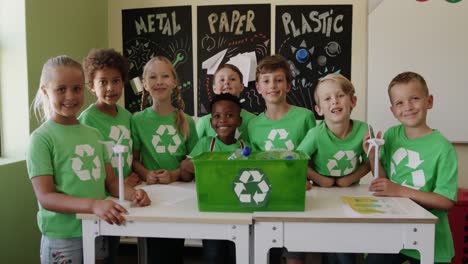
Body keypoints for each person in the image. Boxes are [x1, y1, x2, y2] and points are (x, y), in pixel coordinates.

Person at [27, 55, 150, 264]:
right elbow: (46, 197)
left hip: (97, 227)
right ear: (45, 90)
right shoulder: (41, 139)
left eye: (76, 88)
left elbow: (111, 182)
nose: (70, 96)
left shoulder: (94, 134)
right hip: (63, 237)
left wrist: (133, 194)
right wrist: (94, 204)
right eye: (61, 89)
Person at [364, 71, 458, 264]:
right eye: (399, 103)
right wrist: (373, 156)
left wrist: (398, 190)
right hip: (395, 231)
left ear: (429, 101)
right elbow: (383, 181)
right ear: (393, 110)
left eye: (414, 98)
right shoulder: (391, 135)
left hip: (431, 240)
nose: (407, 107)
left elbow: (446, 200)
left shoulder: (443, 148)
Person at [247, 54, 316, 264]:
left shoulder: (305, 117)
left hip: (298, 193)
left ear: (288, 85)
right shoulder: (253, 125)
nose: (272, 86)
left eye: (279, 80)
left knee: (294, 257)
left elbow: (313, 156)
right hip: (268, 196)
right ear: (258, 87)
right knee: (266, 252)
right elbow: (256, 163)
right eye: (266, 81)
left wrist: (306, 179)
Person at [296, 73, 370, 264]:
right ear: (319, 109)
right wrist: (321, 179)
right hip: (322, 197)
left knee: (351, 242)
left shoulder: (364, 130)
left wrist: (350, 178)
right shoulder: (315, 134)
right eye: (327, 98)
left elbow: (371, 162)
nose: (334, 102)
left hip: (351, 196)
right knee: (334, 247)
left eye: (340, 96)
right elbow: (296, 161)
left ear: (353, 101)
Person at [131, 56, 198, 264]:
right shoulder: (137, 120)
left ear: (174, 82)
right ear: (144, 84)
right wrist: (146, 174)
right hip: (151, 194)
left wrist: (174, 175)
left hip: (180, 194)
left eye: (165, 76)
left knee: (173, 250)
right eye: (152, 77)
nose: (159, 81)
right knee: (154, 252)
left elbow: (194, 160)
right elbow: (133, 160)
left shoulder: (187, 121)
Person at [78, 48, 141, 263]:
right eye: (103, 82)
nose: (110, 88)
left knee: (112, 250)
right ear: (91, 86)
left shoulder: (126, 116)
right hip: (102, 197)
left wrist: (131, 176)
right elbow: (89, 163)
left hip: (123, 193)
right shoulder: (87, 120)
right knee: (100, 253)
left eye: (116, 81)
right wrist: (118, 183)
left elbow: (128, 152)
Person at [181, 93, 246, 264]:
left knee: (236, 255)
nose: (223, 120)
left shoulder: (245, 147)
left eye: (229, 115)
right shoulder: (205, 144)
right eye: (217, 116)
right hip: (211, 210)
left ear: (239, 121)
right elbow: (185, 171)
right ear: (211, 123)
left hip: (238, 210)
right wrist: (204, 165)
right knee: (213, 255)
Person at [196, 64, 255, 142]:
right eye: (222, 80)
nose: (227, 82)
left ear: (241, 86)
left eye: (232, 79)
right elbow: (193, 151)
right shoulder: (204, 122)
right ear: (214, 88)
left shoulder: (253, 120)